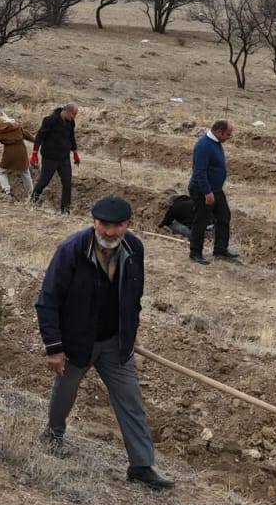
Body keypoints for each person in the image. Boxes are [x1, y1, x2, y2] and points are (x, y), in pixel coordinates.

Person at [34, 195, 172, 489]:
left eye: (117, 226)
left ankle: (141, 465)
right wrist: (54, 347)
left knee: (131, 401)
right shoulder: (71, 250)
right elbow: (48, 300)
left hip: (114, 343)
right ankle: (53, 433)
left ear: (128, 225)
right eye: (104, 225)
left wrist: (129, 333)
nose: (110, 232)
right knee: (64, 393)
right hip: (76, 342)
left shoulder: (135, 249)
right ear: (94, 222)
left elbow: (134, 296)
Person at [188, 120, 236, 265]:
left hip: (216, 189)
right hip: (203, 190)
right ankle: (195, 253)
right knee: (201, 221)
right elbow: (199, 172)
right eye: (228, 134)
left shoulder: (216, 143)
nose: (229, 137)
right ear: (219, 131)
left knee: (224, 217)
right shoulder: (204, 146)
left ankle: (220, 249)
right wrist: (207, 192)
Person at [31, 104, 79, 214]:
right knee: (44, 181)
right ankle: (32, 200)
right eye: (74, 114)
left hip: (64, 158)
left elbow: (71, 137)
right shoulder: (50, 120)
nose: (74, 117)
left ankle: (65, 210)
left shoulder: (70, 122)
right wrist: (34, 153)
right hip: (50, 157)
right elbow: (40, 136)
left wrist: (75, 153)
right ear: (66, 111)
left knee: (67, 183)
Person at [0, 112, 32, 200]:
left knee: (1, 172)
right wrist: (37, 141)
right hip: (21, 151)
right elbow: (27, 135)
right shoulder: (16, 125)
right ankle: (31, 195)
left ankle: (7, 191)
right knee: (25, 173)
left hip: (9, 153)